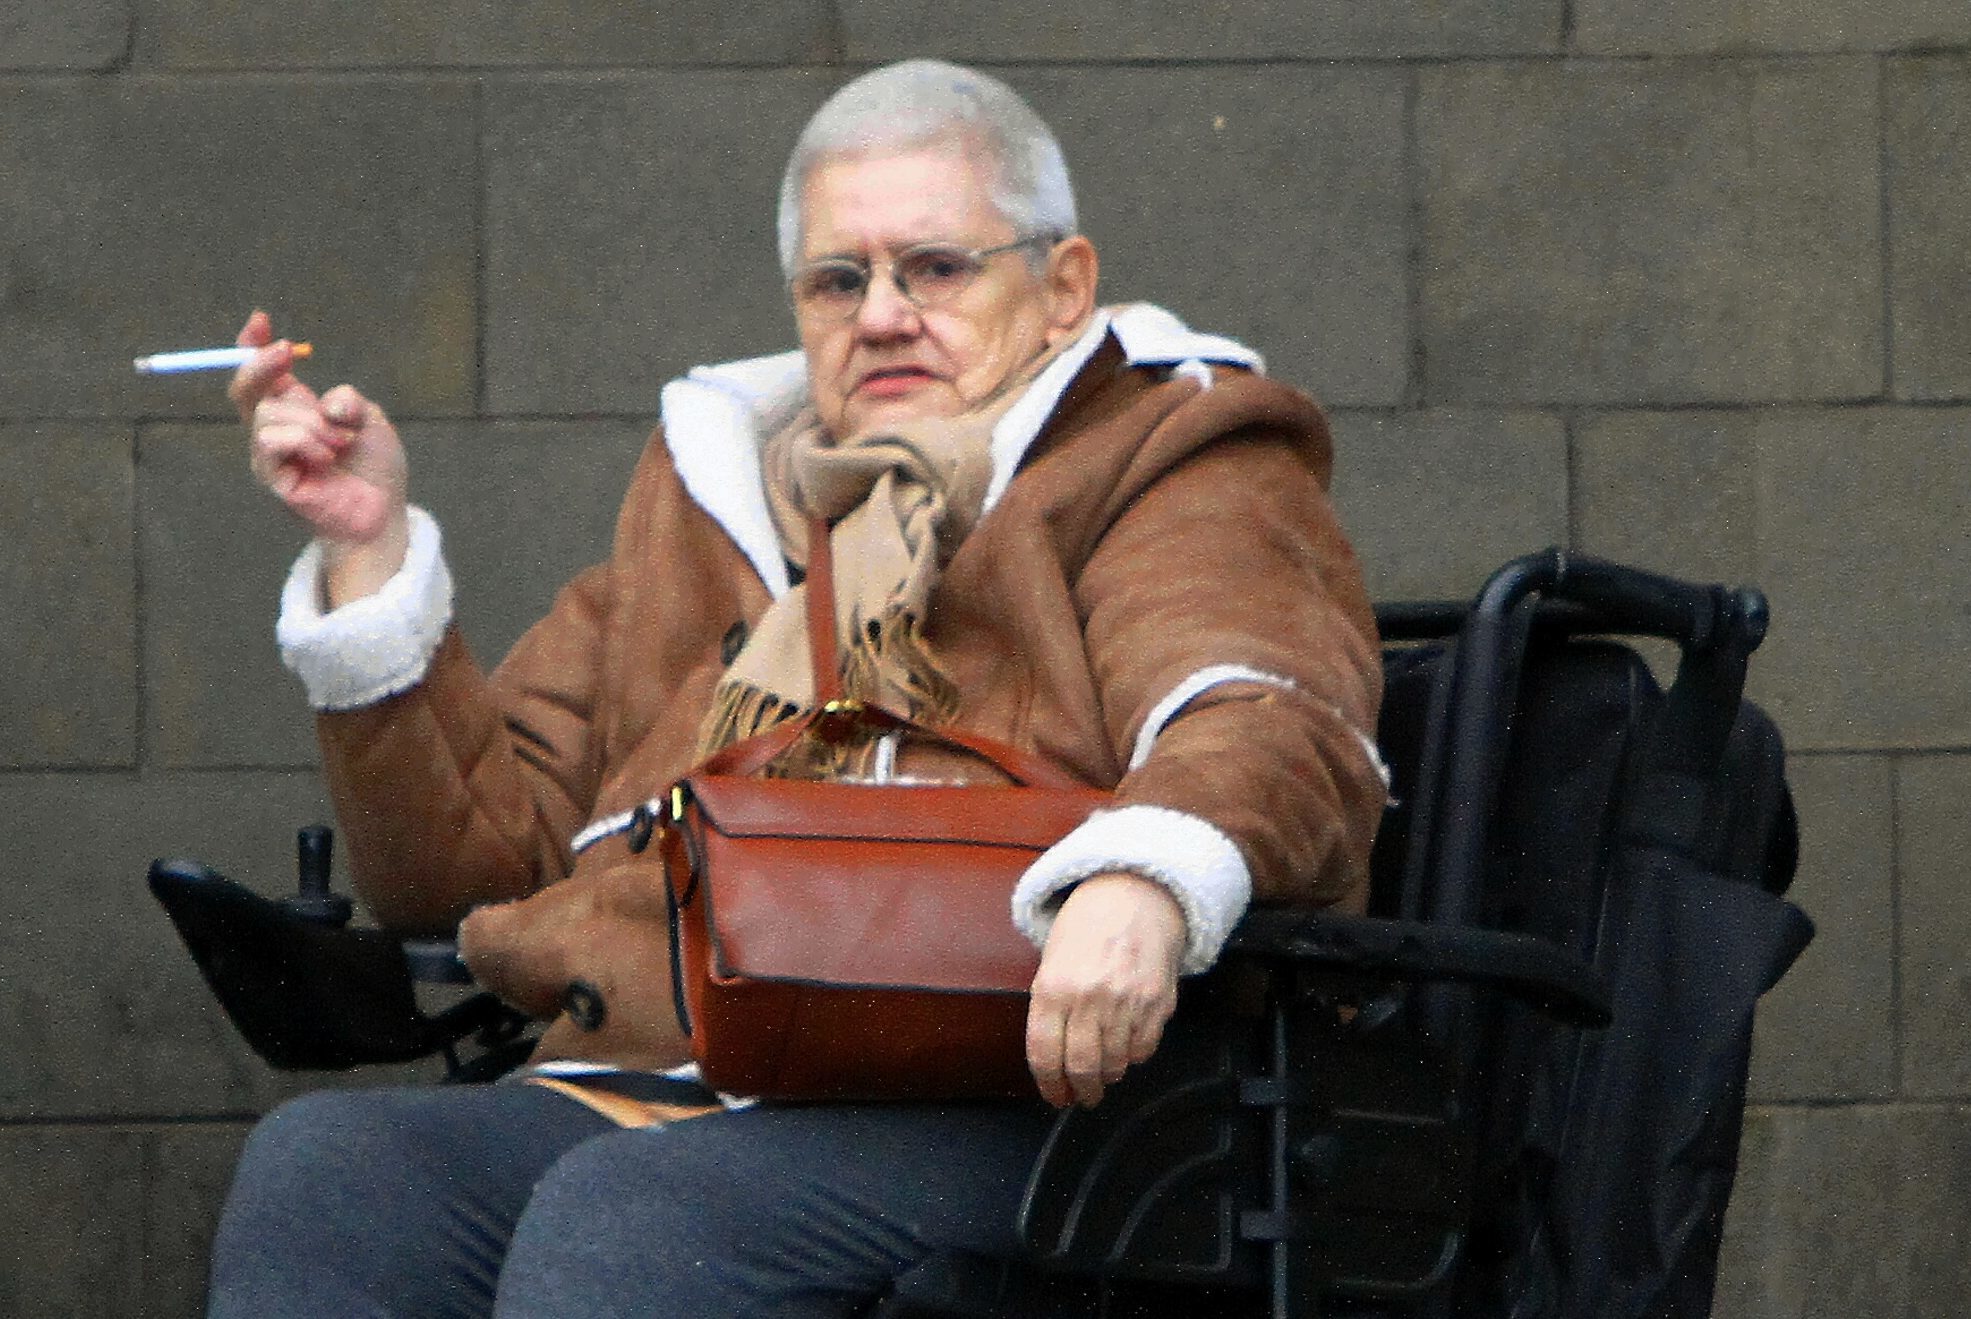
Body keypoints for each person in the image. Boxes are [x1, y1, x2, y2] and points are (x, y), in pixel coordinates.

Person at [207, 58, 1385, 1319]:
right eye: (838, 279)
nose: (879, 312)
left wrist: (1147, 871)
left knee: (644, 1219)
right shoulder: (709, 495)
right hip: (674, 1071)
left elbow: (1265, 713)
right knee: (332, 1166)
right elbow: (472, 868)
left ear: (1062, 288)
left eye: (934, 266)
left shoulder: (1167, 452)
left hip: (1034, 1094)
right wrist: (368, 549)